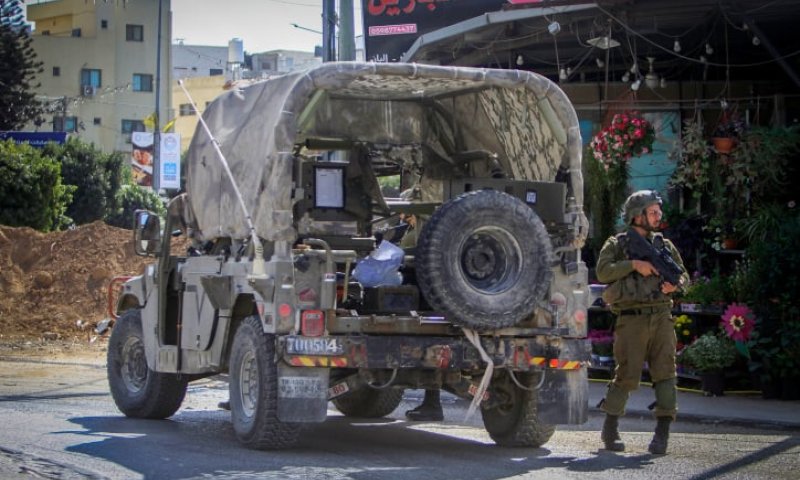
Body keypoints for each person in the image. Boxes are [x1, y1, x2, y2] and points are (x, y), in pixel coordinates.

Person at [595, 190, 689, 455]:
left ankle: (662, 433)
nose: (658, 216)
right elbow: (603, 273)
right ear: (637, 215)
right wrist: (634, 264)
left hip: (661, 315)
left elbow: (686, 280)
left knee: (666, 373)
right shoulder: (617, 244)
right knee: (626, 374)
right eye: (653, 212)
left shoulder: (665, 246)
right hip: (632, 319)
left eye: (659, 211)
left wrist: (676, 286)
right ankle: (610, 428)